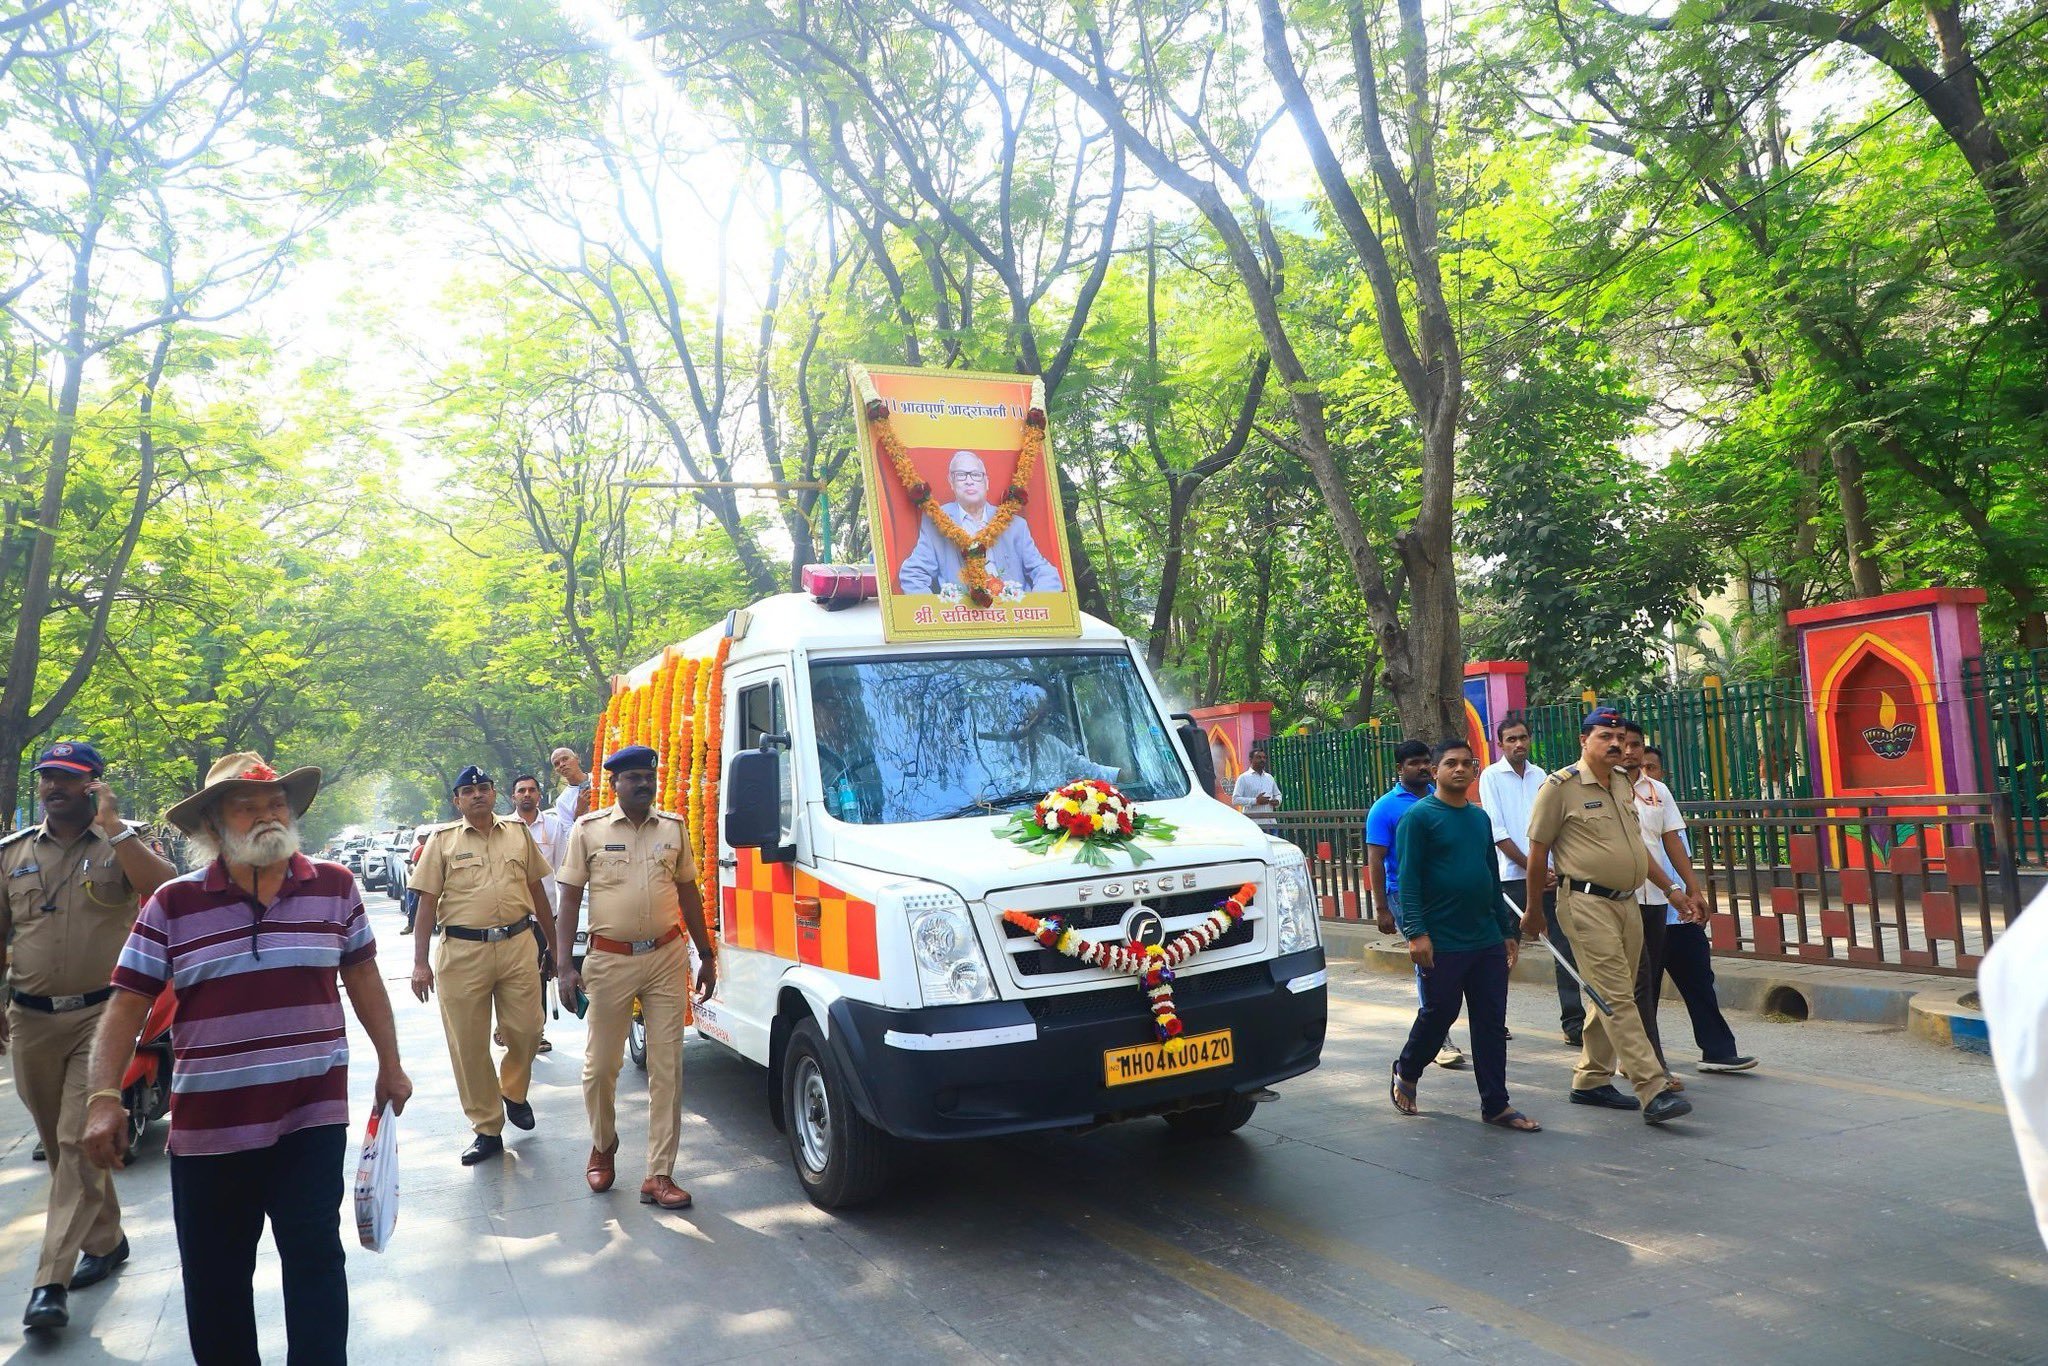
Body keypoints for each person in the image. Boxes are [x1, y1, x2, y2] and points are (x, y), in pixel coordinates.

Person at [82, 753, 411, 1364]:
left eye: (277, 803)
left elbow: (363, 976)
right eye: (247, 805)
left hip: (310, 1117)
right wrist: (103, 1096)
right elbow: (128, 1005)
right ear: (214, 823)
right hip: (210, 1131)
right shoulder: (173, 905)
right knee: (215, 1282)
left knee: (315, 1261)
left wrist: (391, 1064)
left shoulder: (335, 886)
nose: (267, 815)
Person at [2, 742, 175, 1332]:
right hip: (30, 1020)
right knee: (60, 1145)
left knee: (77, 1141)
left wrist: (116, 826)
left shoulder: (120, 847)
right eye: (47, 777)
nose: (54, 787)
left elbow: (165, 888)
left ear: (94, 787)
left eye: (68, 779)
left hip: (101, 1020)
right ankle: (108, 1238)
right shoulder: (14, 854)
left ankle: (49, 1283)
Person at [554, 745, 719, 1210]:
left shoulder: (674, 828)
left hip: (666, 957)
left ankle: (659, 1173)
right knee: (600, 1067)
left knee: (668, 1067)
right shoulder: (588, 831)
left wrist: (705, 954)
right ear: (614, 785)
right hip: (608, 961)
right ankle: (603, 1145)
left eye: (649, 776)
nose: (644, 784)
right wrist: (565, 965)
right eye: (634, 778)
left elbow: (689, 893)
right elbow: (568, 900)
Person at [1523, 708, 1697, 1124]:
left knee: (1610, 992)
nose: (1616, 744)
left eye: (1620, 736)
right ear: (1585, 741)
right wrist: (1533, 911)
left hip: (1628, 903)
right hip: (1586, 904)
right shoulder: (1559, 787)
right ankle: (1652, 1088)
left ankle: (1590, 1080)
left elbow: (1637, 847)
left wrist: (1672, 890)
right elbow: (1537, 854)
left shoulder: (1622, 783)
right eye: (1605, 736)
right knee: (1618, 994)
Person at [408, 765, 556, 1164]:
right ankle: (487, 1129)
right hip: (462, 953)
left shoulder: (518, 834)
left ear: (495, 794)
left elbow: (537, 892)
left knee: (528, 1031)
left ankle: (513, 1091)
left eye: (484, 788)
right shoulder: (442, 841)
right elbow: (425, 904)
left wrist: (555, 947)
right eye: (469, 790)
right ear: (457, 800)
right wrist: (420, 963)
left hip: (518, 945)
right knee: (469, 1046)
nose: (478, 794)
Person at [1389, 739, 1538, 1132]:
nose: (1459, 769)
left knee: (1491, 1020)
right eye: (1450, 763)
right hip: (1443, 939)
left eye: (1466, 764)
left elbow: (1491, 875)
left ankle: (1497, 1105)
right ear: (1435, 771)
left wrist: (1505, 929)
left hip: (1486, 937)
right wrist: (1417, 933)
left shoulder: (1479, 818)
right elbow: (1408, 880)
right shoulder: (1419, 818)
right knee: (1440, 1013)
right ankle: (1407, 1068)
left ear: (1475, 771)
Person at [1640, 745, 1757, 1074]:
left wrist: (1694, 894)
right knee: (1644, 993)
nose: (1646, 772)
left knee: (1700, 983)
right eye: (1640, 764)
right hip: (1645, 913)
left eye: (1653, 767)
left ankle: (1718, 1050)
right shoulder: (1622, 803)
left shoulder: (1663, 803)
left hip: (1681, 916)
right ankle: (1644, 1062)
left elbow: (1681, 860)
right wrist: (1673, 892)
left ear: (1662, 773)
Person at [1479, 713, 1585, 1047]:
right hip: (1511, 877)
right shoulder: (1491, 776)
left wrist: (1549, 869)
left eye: (1523, 737)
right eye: (1511, 739)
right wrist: (1532, 866)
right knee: (1505, 950)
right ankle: (1494, 1021)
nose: (1518, 744)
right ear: (1500, 744)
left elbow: (1551, 827)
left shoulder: (1542, 776)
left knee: (1564, 947)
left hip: (1549, 876)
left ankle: (1574, 1022)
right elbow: (1498, 832)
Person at [1368, 740, 1465, 1069]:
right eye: (1414, 763)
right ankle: (1438, 1038)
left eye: (1427, 761)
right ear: (1400, 769)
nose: (1423, 767)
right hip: (1404, 894)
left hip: (1444, 895)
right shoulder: (1385, 808)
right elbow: (1376, 860)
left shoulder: (1446, 800)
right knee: (1428, 959)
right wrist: (1382, 908)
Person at [897, 449, 1063, 595]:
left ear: (986, 482)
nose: (969, 481)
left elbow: (1046, 572)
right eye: (961, 475)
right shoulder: (936, 522)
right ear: (951, 482)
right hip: (963, 622)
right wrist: (935, 616)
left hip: (1015, 618)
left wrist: (1033, 609)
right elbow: (913, 574)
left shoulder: (1015, 524)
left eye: (976, 475)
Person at [507, 775, 560, 1055]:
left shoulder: (554, 828)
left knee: (539, 973)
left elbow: (564, 871)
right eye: (521, 791)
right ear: (513, 796)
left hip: (545, 915)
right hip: (512, 916)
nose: (526, 794)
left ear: (540, 795)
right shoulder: (502, 828)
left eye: (532, 790)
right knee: (510, 975)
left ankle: (538, 1032)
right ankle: (506, 1026)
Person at [1230, 747, 1283, 819]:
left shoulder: (1269, 777)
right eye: (1259, 757)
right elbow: (1235, 800)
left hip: (1270, 821)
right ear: (1250, 759)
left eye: (1264, 758)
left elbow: (1277, 794)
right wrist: (1255, 801)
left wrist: (1277, 801)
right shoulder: (1243, 778)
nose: (1262, 760)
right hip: (1253, 823)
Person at [550, 746, 592, 832]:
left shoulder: (602, 777)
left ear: (577, 758)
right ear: (556, 770)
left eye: (565, 759)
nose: (562, 765)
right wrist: (579, 812)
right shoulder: (562, 801)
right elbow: (568, 836)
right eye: (557, 764)